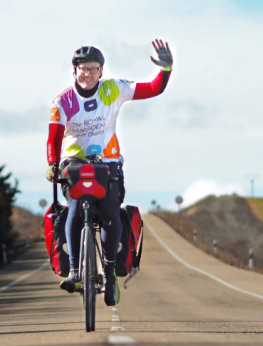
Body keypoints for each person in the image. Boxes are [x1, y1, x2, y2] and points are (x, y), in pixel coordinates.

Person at [46, 39, 173, 306]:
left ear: (101, 71)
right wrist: (52, 164)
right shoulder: (62, 101)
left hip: (108, 164)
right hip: (74, 165)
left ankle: (110, 270)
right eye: (83, 68)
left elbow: (151, 89)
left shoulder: (113, 90)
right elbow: (53, 138)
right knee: (77, 207)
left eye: (93, 68)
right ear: (74, 70)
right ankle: (75, 272)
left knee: (110, 213)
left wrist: (165, 70)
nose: (88, 73)